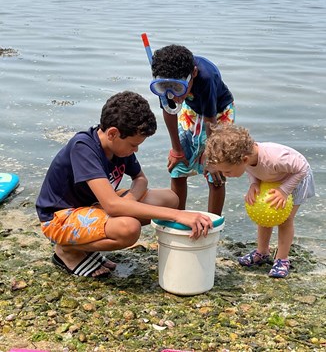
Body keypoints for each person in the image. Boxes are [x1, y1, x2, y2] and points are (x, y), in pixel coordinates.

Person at [36, 91, 213, 278]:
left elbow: (141, 179)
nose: (135, 150)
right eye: (133, 144)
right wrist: (178, 216)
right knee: (129, 229)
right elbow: (112, 206)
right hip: (59, 218)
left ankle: (85, 247)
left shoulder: (119, 148)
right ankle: (67, 250)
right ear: (113, 133)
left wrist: (129, 200)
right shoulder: (83, 148)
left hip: (92, 207)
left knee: (169, 199)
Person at [204, 124, 315, 278]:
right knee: (263, 215)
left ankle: (282, 259)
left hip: (294, 179)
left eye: (227, 171)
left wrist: (284, 191)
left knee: (285, 220)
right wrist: (254, 184)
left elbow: (302, 168)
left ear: (244, 159)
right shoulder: (247, 158)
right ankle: (262, 252)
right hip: (272, 177)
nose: (224, 175)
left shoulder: (275, 158)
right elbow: (252, 169)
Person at [150, 44, 235, 216]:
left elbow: (211, 120)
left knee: (216, 171)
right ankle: (178, 218)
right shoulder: (165, 79)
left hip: (218, 113)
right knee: (178, 166)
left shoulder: (206, 77)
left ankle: (212, 223)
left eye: (179, 88)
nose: (172, 95)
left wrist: (211, 155)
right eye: (166, 88)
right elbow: (169, 110)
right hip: (191, 110)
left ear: (193, 73)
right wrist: (176, 149)